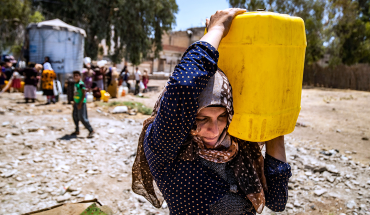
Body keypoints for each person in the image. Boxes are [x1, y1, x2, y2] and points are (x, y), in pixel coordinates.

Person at [132, 8, 291, 215]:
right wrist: (217, 29)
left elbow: (277, 202)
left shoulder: (237, 143)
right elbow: (184, 86)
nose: (214, 130)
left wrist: (274, 122)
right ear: (185, 114)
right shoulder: (165, 148)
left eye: (222, 116)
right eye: (201, 118)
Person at [71, 71, 95, 138]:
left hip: (81, 103)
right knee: (75, 116)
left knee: (82, 117)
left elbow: (84, 94)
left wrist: (80, 104)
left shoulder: (81, 84)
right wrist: (74, 102)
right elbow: (76, 93)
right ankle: (77, 130)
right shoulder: (75, 84)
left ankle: (91, 130)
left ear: (80, 77)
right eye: (74, 76)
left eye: (77, 75)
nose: (75, 77)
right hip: (76, 102)